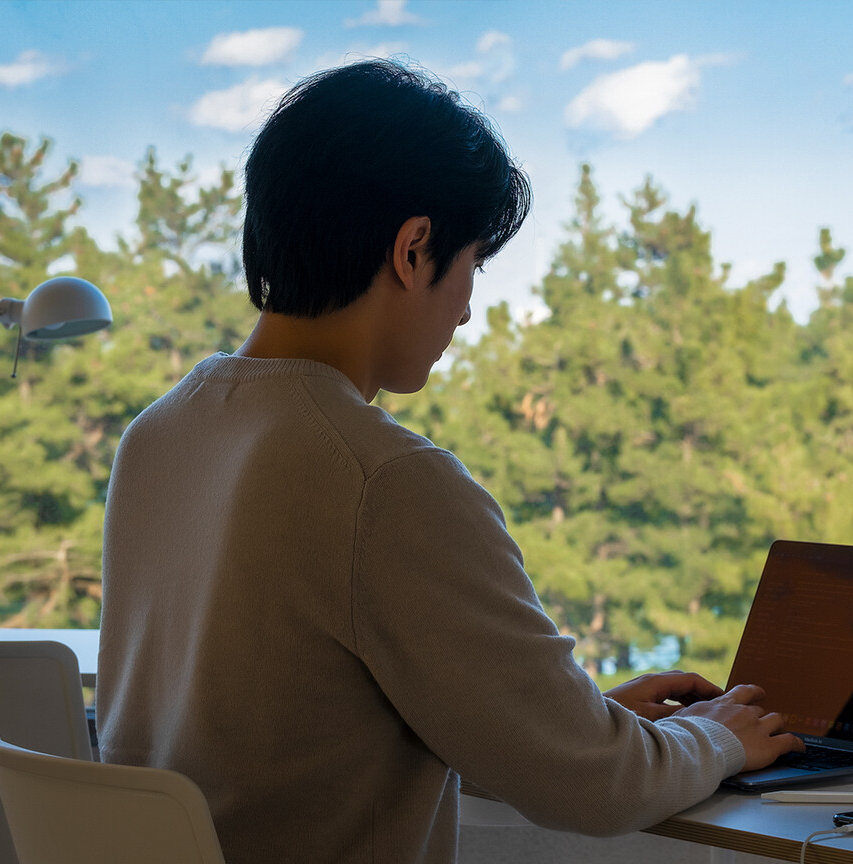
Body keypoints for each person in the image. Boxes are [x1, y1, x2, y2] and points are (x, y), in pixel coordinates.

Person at [96, 59, 802, 864]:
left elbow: (294, 732)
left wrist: (570, 720)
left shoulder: (158, 436)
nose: (467, 307)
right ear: (413, 248)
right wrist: (718, 741)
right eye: (473, 264)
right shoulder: (383, 481)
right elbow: (601, 787)